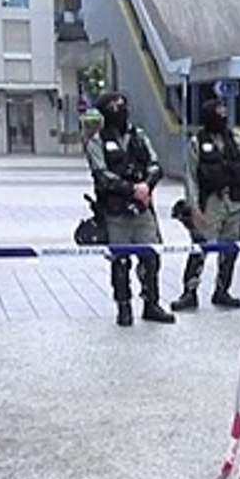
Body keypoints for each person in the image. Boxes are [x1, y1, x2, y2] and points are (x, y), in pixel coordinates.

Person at [84, 91, 176, 327]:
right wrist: (131, 189)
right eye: (114, 106)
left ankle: (151, 304)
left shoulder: (139, 136)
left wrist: (147, 185)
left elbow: (156, 165)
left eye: (123, 104)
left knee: (151, 257)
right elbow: (102, 175)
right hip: (115, 212)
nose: (120, 109)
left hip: (143, 210)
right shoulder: (97, 141)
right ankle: (123, 307)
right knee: (120, 261)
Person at [170, 99, 240, 311]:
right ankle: (189, 292)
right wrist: (194, 206)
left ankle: (222, 290)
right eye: (218, 112)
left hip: (235, 202)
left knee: (231, 248)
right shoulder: (196, 143)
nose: (222, 116)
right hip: (210, 203)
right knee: (200, 246)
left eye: (224, 111)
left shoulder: (235, 141)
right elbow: (191, 176)